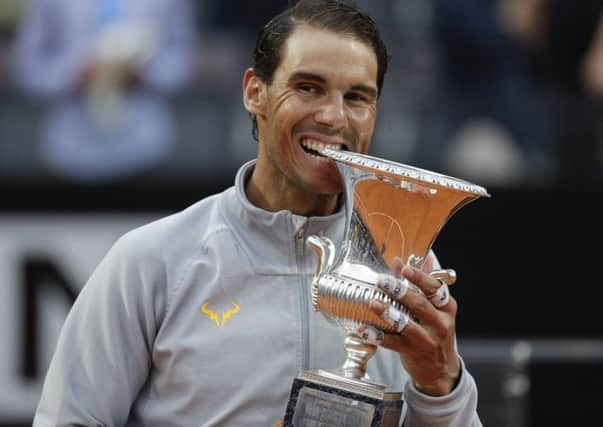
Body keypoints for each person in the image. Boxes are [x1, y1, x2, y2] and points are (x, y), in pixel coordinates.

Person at [33, 1, 482, 426]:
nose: (333, 116)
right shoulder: (151, 261)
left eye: (357, 97)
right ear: (255, 93)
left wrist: (441, 385)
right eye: (308, 87)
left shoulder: (407, 271)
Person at [12, 0, 197, 182]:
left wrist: (142, 75)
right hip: (69, 148)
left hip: (143, 145)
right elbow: (29, 70)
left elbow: (181, 65)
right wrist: (74, 76)